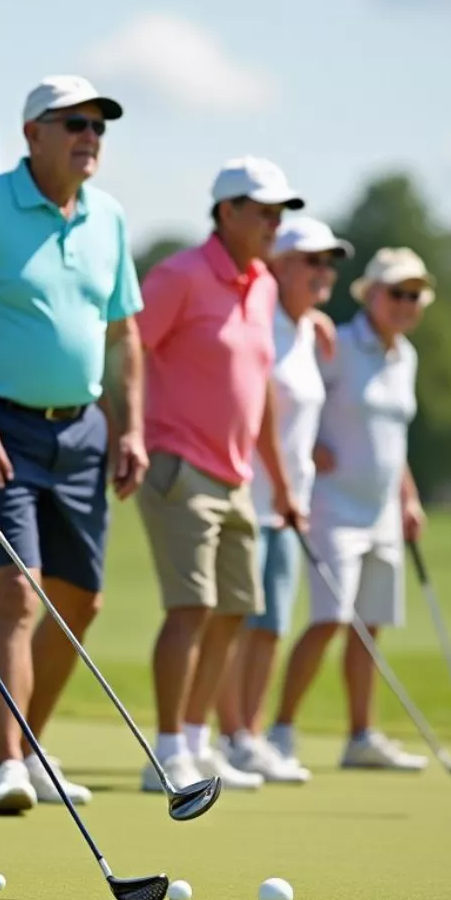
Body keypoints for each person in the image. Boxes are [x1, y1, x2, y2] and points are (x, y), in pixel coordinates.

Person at [0, 76, 147, 814]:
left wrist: (130, 426)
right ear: (32, 131)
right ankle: (5, 763)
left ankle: (31, 749)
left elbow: (124, 330)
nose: (90, 137)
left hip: (83, 430)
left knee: (83, 600)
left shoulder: (110, 218)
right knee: (19, 588)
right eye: (74, 123)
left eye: (99, 126)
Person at [136, 157, 305, 793]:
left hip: (236, 477)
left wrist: (281, 486)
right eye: (264, 212)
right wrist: (131, 435)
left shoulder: (262, 283)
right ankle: (167, 751)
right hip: (177, 464)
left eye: (280, 213)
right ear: (227, 212)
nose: (275, 224)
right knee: (192, 607)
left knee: (236, 609)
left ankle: (198, 743)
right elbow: (130, 352)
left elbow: (255, 390)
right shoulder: (178, 275)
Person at [268, 247, 432, 773]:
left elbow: (394, 439)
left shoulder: (405, 356)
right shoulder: (336, 342)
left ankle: (361, 735)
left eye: (414, 295)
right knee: (329, 621)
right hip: (331, 505)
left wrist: (409, 497)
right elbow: (292, 397)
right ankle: (281, 730)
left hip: (382, 511)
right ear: (373, 295)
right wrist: (308, 446)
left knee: (372, 623)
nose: (406, 304)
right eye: (396, 293)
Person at [214, 215, 352, 782]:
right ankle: (230, 737)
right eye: (312, 261)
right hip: (251, 494)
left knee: (270, 624)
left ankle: (252, 734)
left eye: (330, 264)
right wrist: (286, 485)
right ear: (281, 266)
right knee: (240, 621)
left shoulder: (303, 330)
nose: (324, 272)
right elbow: (256, 413)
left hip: (290, 502)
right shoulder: (263, 322)